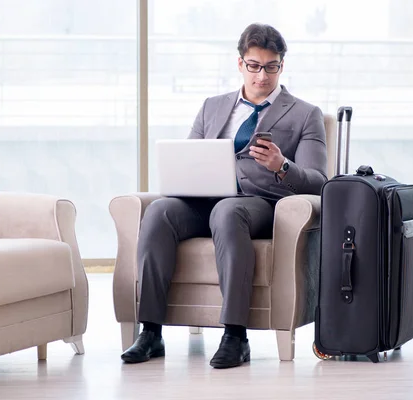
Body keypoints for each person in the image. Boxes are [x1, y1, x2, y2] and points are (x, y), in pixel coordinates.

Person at [121, 23, 327, 369]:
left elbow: (320, 181)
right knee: (158, 212)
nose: (262, 75)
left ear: (282, 65)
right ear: (240, 64)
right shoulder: (213, 107)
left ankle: (235, 334)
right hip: (206, 199)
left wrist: (281, 166)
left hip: (260, 204)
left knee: (228, 213)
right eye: (254, 65)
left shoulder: (306, 114)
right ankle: (151, 332)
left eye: (271, 66)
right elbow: (188, 159)